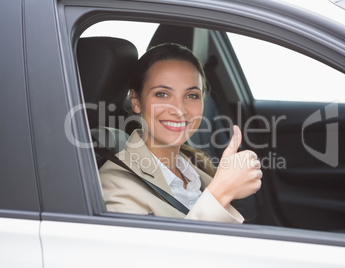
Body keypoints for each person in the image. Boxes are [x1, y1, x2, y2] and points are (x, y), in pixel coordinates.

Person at [100, 43, 262, 223]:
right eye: (162, 94)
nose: (179, 109)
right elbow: (158, 252)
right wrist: (221, 192)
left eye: (191, 95)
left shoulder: (193, 167)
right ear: (136, 101)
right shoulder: (114, 184)